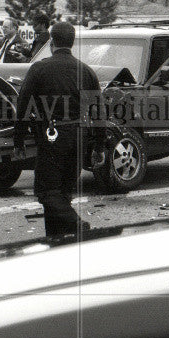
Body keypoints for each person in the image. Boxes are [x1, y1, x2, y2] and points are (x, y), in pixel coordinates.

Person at [12, 22, 105, 239]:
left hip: (52, 136)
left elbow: (23, 105)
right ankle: (59, 241)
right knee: (64, 193)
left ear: (51, 42)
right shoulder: (86, 71)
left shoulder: (39, 68)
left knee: (46, 192)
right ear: (72, 43)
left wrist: (19, 141)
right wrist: (99, 146)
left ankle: (75, 224)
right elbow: (99, 112)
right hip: (79, 134)